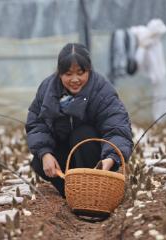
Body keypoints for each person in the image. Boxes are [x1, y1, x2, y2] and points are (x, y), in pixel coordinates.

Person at [25, 43, 133, 197]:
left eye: (80, 73)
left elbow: (117, 127)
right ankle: (72, 193)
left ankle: (94, 192)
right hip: (67, 156)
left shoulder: (101, 90)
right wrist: (44, 153)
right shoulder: (48, 89)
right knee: (38, 161)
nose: (74, 79)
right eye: (68, 74)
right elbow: (37, 123)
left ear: (88, 70)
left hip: (94, 158)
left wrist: (110, 158)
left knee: (82, 134)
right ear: (59, 73)